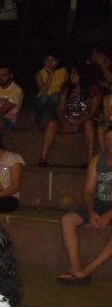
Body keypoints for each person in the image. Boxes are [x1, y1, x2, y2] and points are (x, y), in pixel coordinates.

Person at [57, 126, 112, 285]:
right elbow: (88, 191)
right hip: (100, 203)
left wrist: (108, 216)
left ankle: (88, 270)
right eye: (108, 139)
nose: (110, 143)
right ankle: (75, 267)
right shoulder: (97, 160)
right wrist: (91, 211)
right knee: (67, 219)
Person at [39, 65, 101, 168]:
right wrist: (65, 122)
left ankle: (90, 159)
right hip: (68, 119)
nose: (71, 76)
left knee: (89, 124)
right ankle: (43, 158)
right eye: (71, 73)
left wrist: (77, 122)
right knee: (52, 123)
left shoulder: (94, 89)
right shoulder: (66, 88)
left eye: (74, 73)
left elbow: (93, 112)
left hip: (84, 120)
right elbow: (60, 108)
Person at [34, 52, 69, 129]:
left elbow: (66, 85)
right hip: (43, 98)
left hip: (58, 97)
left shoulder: (63, 71)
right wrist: (51, 75)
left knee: (55, 96)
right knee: (44, 98)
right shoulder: (40, 73)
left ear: (57, 61)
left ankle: (55, 120)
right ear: (44, 61)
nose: (50, 63)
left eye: (53, 60)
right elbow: (42, 91)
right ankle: (38, 121)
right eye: (47, 60)